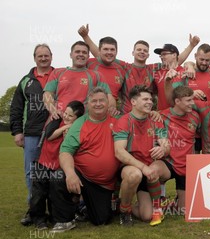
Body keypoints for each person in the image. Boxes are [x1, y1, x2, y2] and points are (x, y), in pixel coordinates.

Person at [59, 89, 121, 227]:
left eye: (101, 100)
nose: (98, 104)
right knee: (58, 177)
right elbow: (65, 151)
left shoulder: (118, 121)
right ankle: (64, 220)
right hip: (82, 176)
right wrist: (70, 174)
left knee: (102, 220)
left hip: (104, 184)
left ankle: (83, 207)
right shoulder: (79, 123)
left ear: (108, 103)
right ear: (87, 104)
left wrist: (153, 113)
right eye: (94, 101)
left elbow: (137, 117)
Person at [114, 85, 171, 226]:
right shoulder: (124, 121)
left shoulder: (156, 119)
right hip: (134, 167)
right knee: (135, 175)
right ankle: (124, 209)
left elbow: (167, 145)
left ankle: (158, 207)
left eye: (151, 99)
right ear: (133, 102)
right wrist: (143, 167)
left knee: (155, 169)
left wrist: (163, 149)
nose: (150, 102)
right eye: (145, 99)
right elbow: (119, 152)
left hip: (152, 169)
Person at [10, 43, 54, 226]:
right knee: (32, 173)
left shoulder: (59, 75)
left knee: (54, 173)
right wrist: (17, 132)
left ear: (51, 56)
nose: (43, 58)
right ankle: (34, 209)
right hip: (32, 133)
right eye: (40, 56)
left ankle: (56, 210)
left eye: (46, 55)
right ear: (34, 58)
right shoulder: (25, 80)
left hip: (55, 132)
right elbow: (16, 108)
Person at [30, 100, 84, 230]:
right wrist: (66, 127)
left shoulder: (79, 127)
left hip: (59, 164)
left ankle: (55, 217)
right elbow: (49, 136)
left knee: (54, 192)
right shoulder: (56, 118)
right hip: (43, 161)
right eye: (66, 113)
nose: (66, 116)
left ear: (77, 118)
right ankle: (39, 219)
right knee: (39, 193)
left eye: (70, 116)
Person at [158, 86, 201, 212]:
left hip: (187, 165)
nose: (192, 103)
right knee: (154, 170)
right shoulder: (161, 116)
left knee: (183, 210)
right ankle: (157, 198)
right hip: (169, 162)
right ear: (177, 101)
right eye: (188, 100)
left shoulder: (196, 117)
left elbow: (199, 139)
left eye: (192, 100)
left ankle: (175, 202)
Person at [43, 41, 113, 119]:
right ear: (71, 55)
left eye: (84, 52)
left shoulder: (97, 75)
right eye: (77, 52)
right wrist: (53, 110)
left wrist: (112, 108)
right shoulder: (57, 72)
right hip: (58, 119)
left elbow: (109, 97)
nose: (81, 54)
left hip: (83, 121)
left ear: (88, 56)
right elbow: (47, 94)